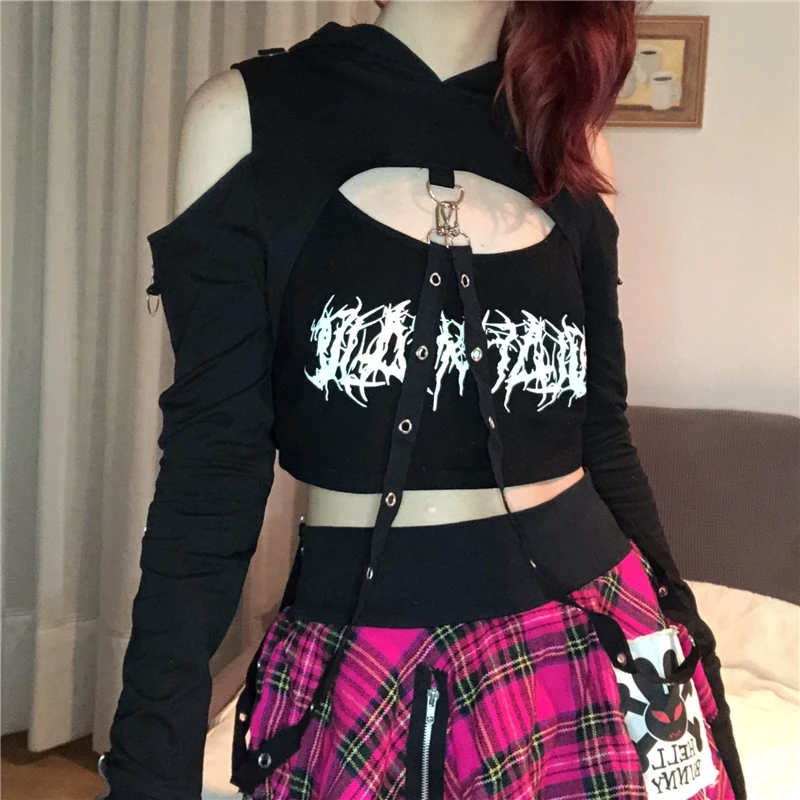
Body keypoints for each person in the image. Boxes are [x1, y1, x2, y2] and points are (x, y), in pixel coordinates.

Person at [98, 2, 746, 799]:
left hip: (592, 643)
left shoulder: (569, 139)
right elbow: (212, 473)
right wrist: (148, 767)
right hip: (368, 658)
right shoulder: (249, 119)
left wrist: (697, 665)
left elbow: (603, 439)